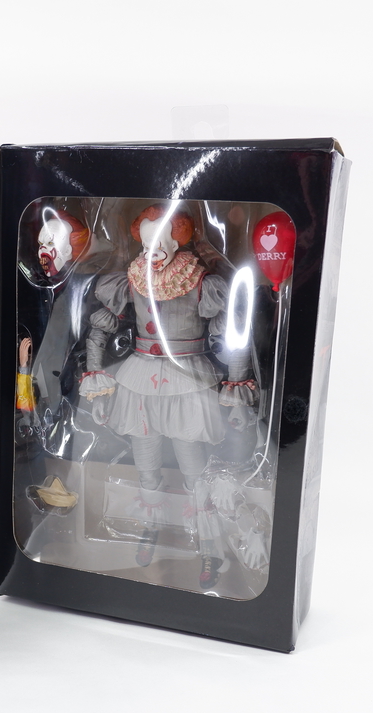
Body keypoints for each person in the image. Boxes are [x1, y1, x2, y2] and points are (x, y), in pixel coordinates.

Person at [80, 203, 256, 586]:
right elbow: (100, 329)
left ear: (179, 240)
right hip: (139, 379)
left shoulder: (201, 282)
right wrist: (96, 379)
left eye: (160, 242)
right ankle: (151, 526)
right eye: (146, 244)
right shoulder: (132, 279)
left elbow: (234, 335)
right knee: (145, 463)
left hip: (187, 379)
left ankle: (209, 545)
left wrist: (237, 387)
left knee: (194, 467)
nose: (153, 251)